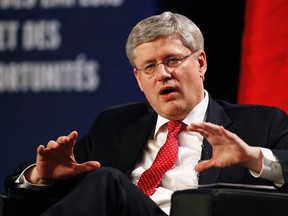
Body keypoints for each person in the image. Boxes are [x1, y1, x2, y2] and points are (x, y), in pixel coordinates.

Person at [5, 11, 288, 216]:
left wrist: (254, 157)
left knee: (108, 181)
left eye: (172, 60)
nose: (162, 74)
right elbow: (24, 185)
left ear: (200, 63)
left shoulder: (260, 123)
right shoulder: (115, 125)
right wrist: (41, 175)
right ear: (139, 80)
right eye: (149, 67)